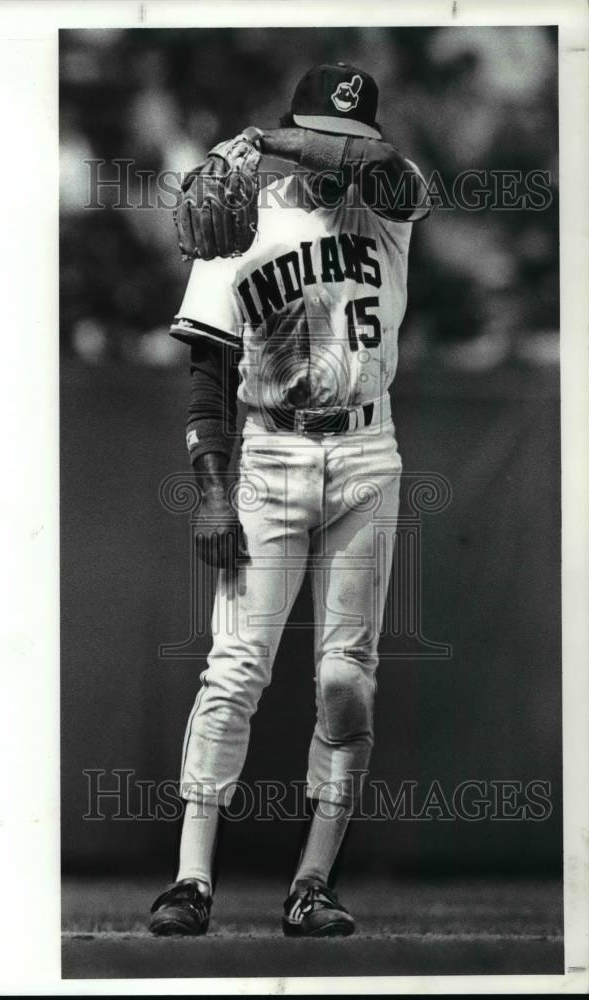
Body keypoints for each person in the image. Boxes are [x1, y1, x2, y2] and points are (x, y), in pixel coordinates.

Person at [150, 62, 431, 938]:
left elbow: (379, 164)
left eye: (352, 140)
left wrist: (271, 138)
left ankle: (313, 883)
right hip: (268, 452)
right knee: (235, 671)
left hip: (366, 451)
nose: (340, 155)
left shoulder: (392, 196)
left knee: (347, 681)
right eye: (324, 135)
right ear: (297, 121)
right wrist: (209, 492)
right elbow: (208, 373)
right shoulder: (246, 216)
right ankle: (191, 880)